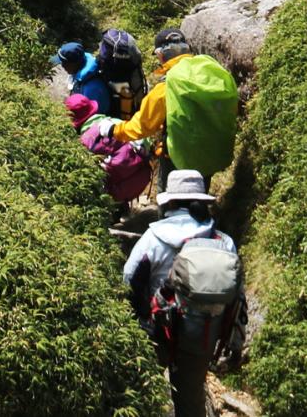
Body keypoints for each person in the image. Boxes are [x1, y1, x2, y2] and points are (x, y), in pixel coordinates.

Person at [122, 170, 240, 417]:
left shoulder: (154, 238)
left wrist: (140, 315)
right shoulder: (224, 241)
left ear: (171, 203)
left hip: (157, 331)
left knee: (144, 389)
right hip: (203, 333)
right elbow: (235, 292)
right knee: (190, 396)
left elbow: (129, 280)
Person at [90, 27, 237, 190]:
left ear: (160, 54)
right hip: (212, 153)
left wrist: (114, 130)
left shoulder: (167, 85)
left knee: (169, 201)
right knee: (200, 193)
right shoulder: (211, 70)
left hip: (179, 159)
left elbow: (143, 126)